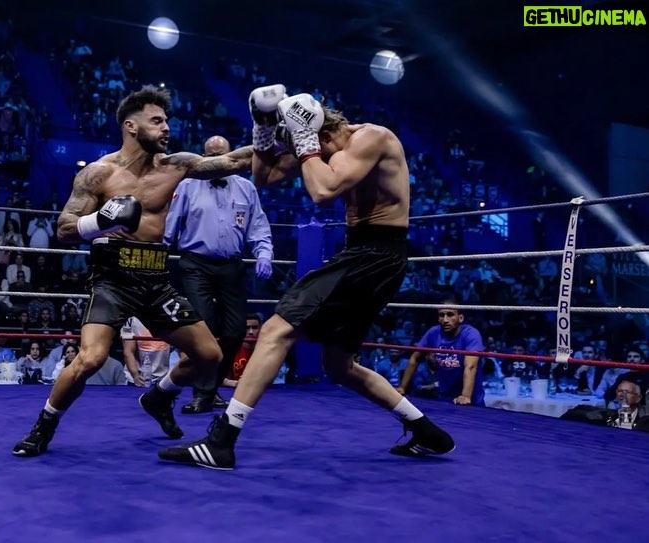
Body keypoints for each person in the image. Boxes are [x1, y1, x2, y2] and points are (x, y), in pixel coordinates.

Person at [158, 84, 454, 469]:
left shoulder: (373, 138)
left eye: (316, 146)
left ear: (325, 134)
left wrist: (304, 139)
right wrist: (263, 129)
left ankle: (223, 439)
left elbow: (324, 190)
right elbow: (264, 178)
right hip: (367, 254)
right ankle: (426, 430)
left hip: (376, 252)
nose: (311, 158)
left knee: (276, 330)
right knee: (339, 366)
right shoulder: (321, 145)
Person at [12, 85, 254, 457]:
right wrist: (101, 222)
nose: (166, 127)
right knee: (91, 358)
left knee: (210, 355)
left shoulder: (178, 165)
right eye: (157, 121)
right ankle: (43, 426)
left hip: (156, 278)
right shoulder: (99, 174)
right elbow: (63, 227)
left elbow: (235, 162)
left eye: (166, 120)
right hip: (112, 279)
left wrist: (274, 133)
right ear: (131, 126)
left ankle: (159, 397)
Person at [165, 135, 274, 414]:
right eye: (211, 156)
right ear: (203, 158)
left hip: (231, 266)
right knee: (206, 330)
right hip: (195, 264)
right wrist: (158, 258)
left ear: (232, 156)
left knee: (236, 330)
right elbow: (170, 225)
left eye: (221, 155)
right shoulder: (188, 185)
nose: (216, 161)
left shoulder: (246, 188)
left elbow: (258, 226)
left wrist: (264, 254)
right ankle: (203, 393)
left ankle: (211, 389)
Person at [396, 300, 485, 406]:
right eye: (441, 315)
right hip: (444, 399)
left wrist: (465, 396)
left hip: (472, 401)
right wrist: (402, 388)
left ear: (460, 318)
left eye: (450, 315)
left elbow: (471, 366)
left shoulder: (471, 334)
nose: (445, 320)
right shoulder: (433, 332)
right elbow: (415, 358)